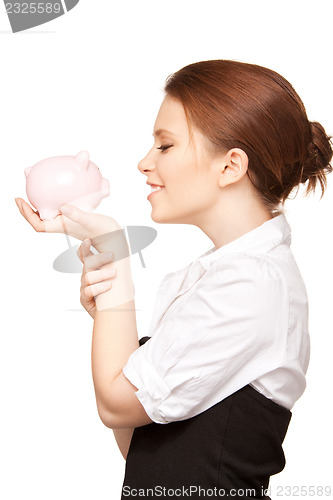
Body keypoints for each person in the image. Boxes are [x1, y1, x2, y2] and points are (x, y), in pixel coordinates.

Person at [15, 59, 333, 499]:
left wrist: (114, 256)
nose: (144, 162)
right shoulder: (219, 277)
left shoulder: (252, 285)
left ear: (230, 166)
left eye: (165, 146)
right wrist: (110, 301)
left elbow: (115, 404)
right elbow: (140, 445)